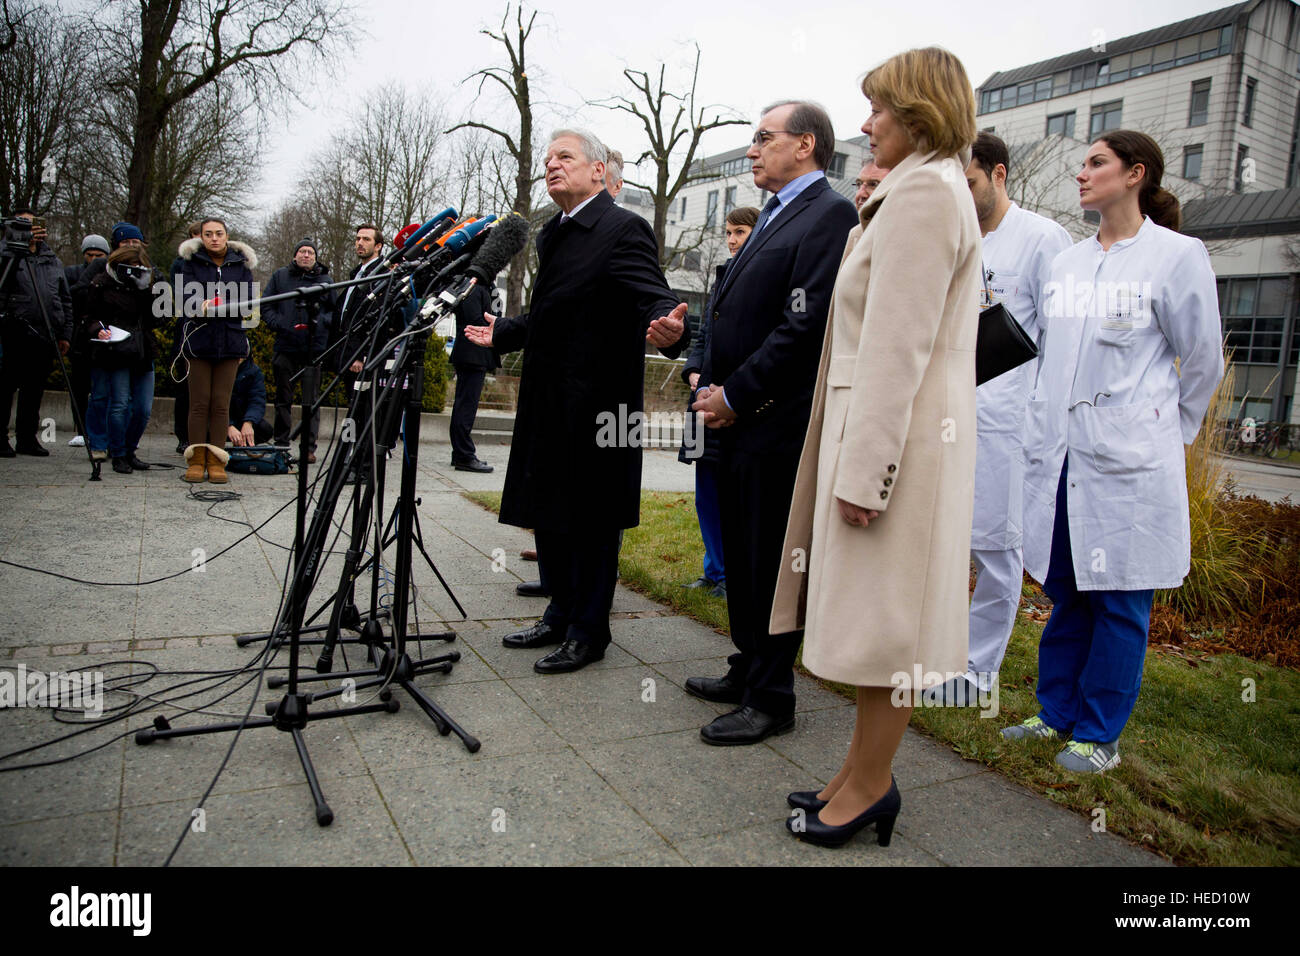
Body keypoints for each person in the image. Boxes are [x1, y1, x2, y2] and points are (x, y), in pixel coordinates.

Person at [769, 47, 982, 846]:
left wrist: (868, 472)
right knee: (874, 626)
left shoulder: (925, 194)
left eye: (880, 110)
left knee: (887, 633)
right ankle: (858, 776)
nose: (865, 124)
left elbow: (897, 350)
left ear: (919, 113)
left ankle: (871, 787)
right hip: (896, 441)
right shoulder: (921, 190)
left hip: (898, 449)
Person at [1002, 130, 1223, 773]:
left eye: (1096, 163)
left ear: (1136, 174)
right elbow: (1046, 354)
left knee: (1121, 598)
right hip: (1064, 456)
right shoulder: (1068, 263)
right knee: (1068, 592)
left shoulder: (1176, 256)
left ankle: (1099, 736)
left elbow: (1201, 359)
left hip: (1130, 462)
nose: (1082, 174)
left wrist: (1162, 432)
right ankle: (1054, 717)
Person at [464, 128, 688, 674]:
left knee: (590, 517)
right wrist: (507, 332)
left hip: (596, 405)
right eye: (546, 160)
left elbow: (652, 295)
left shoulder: (622, 227)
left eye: (564, 157)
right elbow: (557, 311)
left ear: (598, 170)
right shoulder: (553, 234)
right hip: (548, 397)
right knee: (551, 511)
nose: (551, 166)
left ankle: (590, 631)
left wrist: (667, 326)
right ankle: (560, 612)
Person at [687, 100, 858, 745]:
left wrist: (739, 394)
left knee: (768, 559)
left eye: (764, 138)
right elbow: (740, 311)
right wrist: (708, 374)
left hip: (773, 423)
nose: (753, 149)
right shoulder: (774, 213)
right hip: (734, 418)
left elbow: (804, 327)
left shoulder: (831, 214)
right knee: (741, 551)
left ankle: (772, 696)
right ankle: (746, 664)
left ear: (806, 145)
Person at [923, 132, 1073, 707]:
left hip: (1008, 422)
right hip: (948, 415)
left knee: (995, 548)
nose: (963, 195)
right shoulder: (955, 234)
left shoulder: (1041, 240)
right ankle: (935, 656)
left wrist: (1042, 423)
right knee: (940, 541)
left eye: (971, 184)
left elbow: (1059, 340)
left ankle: (977, 673)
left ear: (999, 174)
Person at [678, 205, 759, 599]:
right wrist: (692, 371)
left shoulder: (760, 279)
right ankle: (713, 571)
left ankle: (732, 576)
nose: (731, 240)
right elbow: (703, 336)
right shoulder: (721, 277)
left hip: (731, 405)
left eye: (740, 232)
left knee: (733, 496)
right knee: (705, 492)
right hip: (701, 402)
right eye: (728, 232)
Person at [177, 217, 258, 484]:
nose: (214, 238)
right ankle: (196, 459)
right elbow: (184, 296)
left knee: (221, 405)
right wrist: (201, 303)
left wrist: (222, 304)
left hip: (231, 342)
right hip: (199, 341)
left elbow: (247, 302)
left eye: (219, 233)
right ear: (201, 237)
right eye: (208, 234)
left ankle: (216, 459)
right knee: (199, 403)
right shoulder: (190, 262)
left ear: (226, 236)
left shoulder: (241, 264)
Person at [82, 245, 164, 474]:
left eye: (139, 268)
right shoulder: (100, 283)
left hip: (142, 348)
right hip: (116, 350)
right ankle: (118, 453)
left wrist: (148, 289)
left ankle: (130, 449)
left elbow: (160, 318)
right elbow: (88, 316)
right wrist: (97, 329)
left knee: (143, 408)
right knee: (118, 404)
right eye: (130, 268)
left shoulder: (147, 285)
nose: (133, 272)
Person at [0, 210, 73, 457]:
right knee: (6, 386)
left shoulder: (52, 260)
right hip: (13, 330)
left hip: (45, 333)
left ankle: (27, 439)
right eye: (25, 226)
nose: (32, 231)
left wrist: (65, 332)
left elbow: (63, 298)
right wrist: (15, 247)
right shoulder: (6, 254)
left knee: (34, 389)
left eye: (35, 226)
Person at [264, 238, 336, 463]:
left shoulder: (325, 280)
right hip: (285, 345)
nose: (306, 255)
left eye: (310, 252)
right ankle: (281, 442)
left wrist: (320, 323)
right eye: (302, 252)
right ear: (295, 255)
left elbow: (335, 312)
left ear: (315, 257)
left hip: (313, 349)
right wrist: (280, 323)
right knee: (283, 397)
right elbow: (267, 305)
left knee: (312, 400)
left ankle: (309, 448)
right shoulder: (280, 276)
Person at [335, 223, 385, 483]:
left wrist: (362, 355)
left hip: (361, 358)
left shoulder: (380, 276)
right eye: (357, 239)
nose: (359, 243)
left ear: (378, 246)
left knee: (364, 413)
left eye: (366, 239)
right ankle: (348, 458)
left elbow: (376, 321)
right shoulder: (358, 273)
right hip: (346, 354)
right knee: (352, 411)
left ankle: (363, 467)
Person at [63, 234, 111, 448]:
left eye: (98, 255)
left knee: (103, 390)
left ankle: (103, 431)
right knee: (80, 387)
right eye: (89, 255)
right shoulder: (72, 274)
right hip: (80, 338)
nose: (93, 259)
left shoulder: (111, 274)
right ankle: (81, 428)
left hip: (105, 338)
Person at [448, 280, 499, 473]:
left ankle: (461, 453)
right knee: (465, 407)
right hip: (472, 352)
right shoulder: (473, 287)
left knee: (464, 405)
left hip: (475, 354)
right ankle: (464, 454)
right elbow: (474, 319)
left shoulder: (482, 287)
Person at [170, 221, 203, 453]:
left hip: (213, 330)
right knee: (185, 386)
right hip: (188, 327)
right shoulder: (180, 264)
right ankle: (183, 435)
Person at [226, 355, 271, 446]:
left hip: (241, 419)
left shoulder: (254, 371)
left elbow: (257, 401)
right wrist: (227, 425)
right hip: (219, 419)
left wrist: (248, 422)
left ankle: (244, 443)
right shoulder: (218, 369)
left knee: (265, 429)